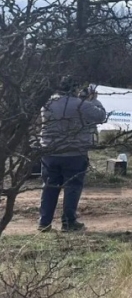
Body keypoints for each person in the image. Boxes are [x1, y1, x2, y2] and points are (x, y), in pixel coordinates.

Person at [38, 76, 107, 232]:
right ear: (75, 89)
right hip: (74, 152)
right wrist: (93, 100)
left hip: (49, 151)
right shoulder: (82, 105)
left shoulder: (47, 103)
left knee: (49, 187)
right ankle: (69, 222)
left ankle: (44, 222)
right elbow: (101, 116)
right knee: (72, 187)